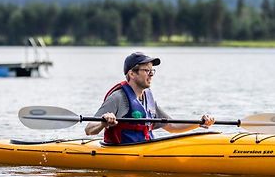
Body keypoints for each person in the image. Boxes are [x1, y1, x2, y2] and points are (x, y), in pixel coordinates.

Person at [85, 52, 215, 144]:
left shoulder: (149, 99)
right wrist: (103, 122)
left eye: (152, 71)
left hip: (145, 149)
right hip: (122, 151)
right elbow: (89, 129)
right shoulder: (118, 97)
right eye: (147, 71)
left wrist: (199, 123)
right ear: (132, 73)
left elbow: (172, 126)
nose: (151, 74)